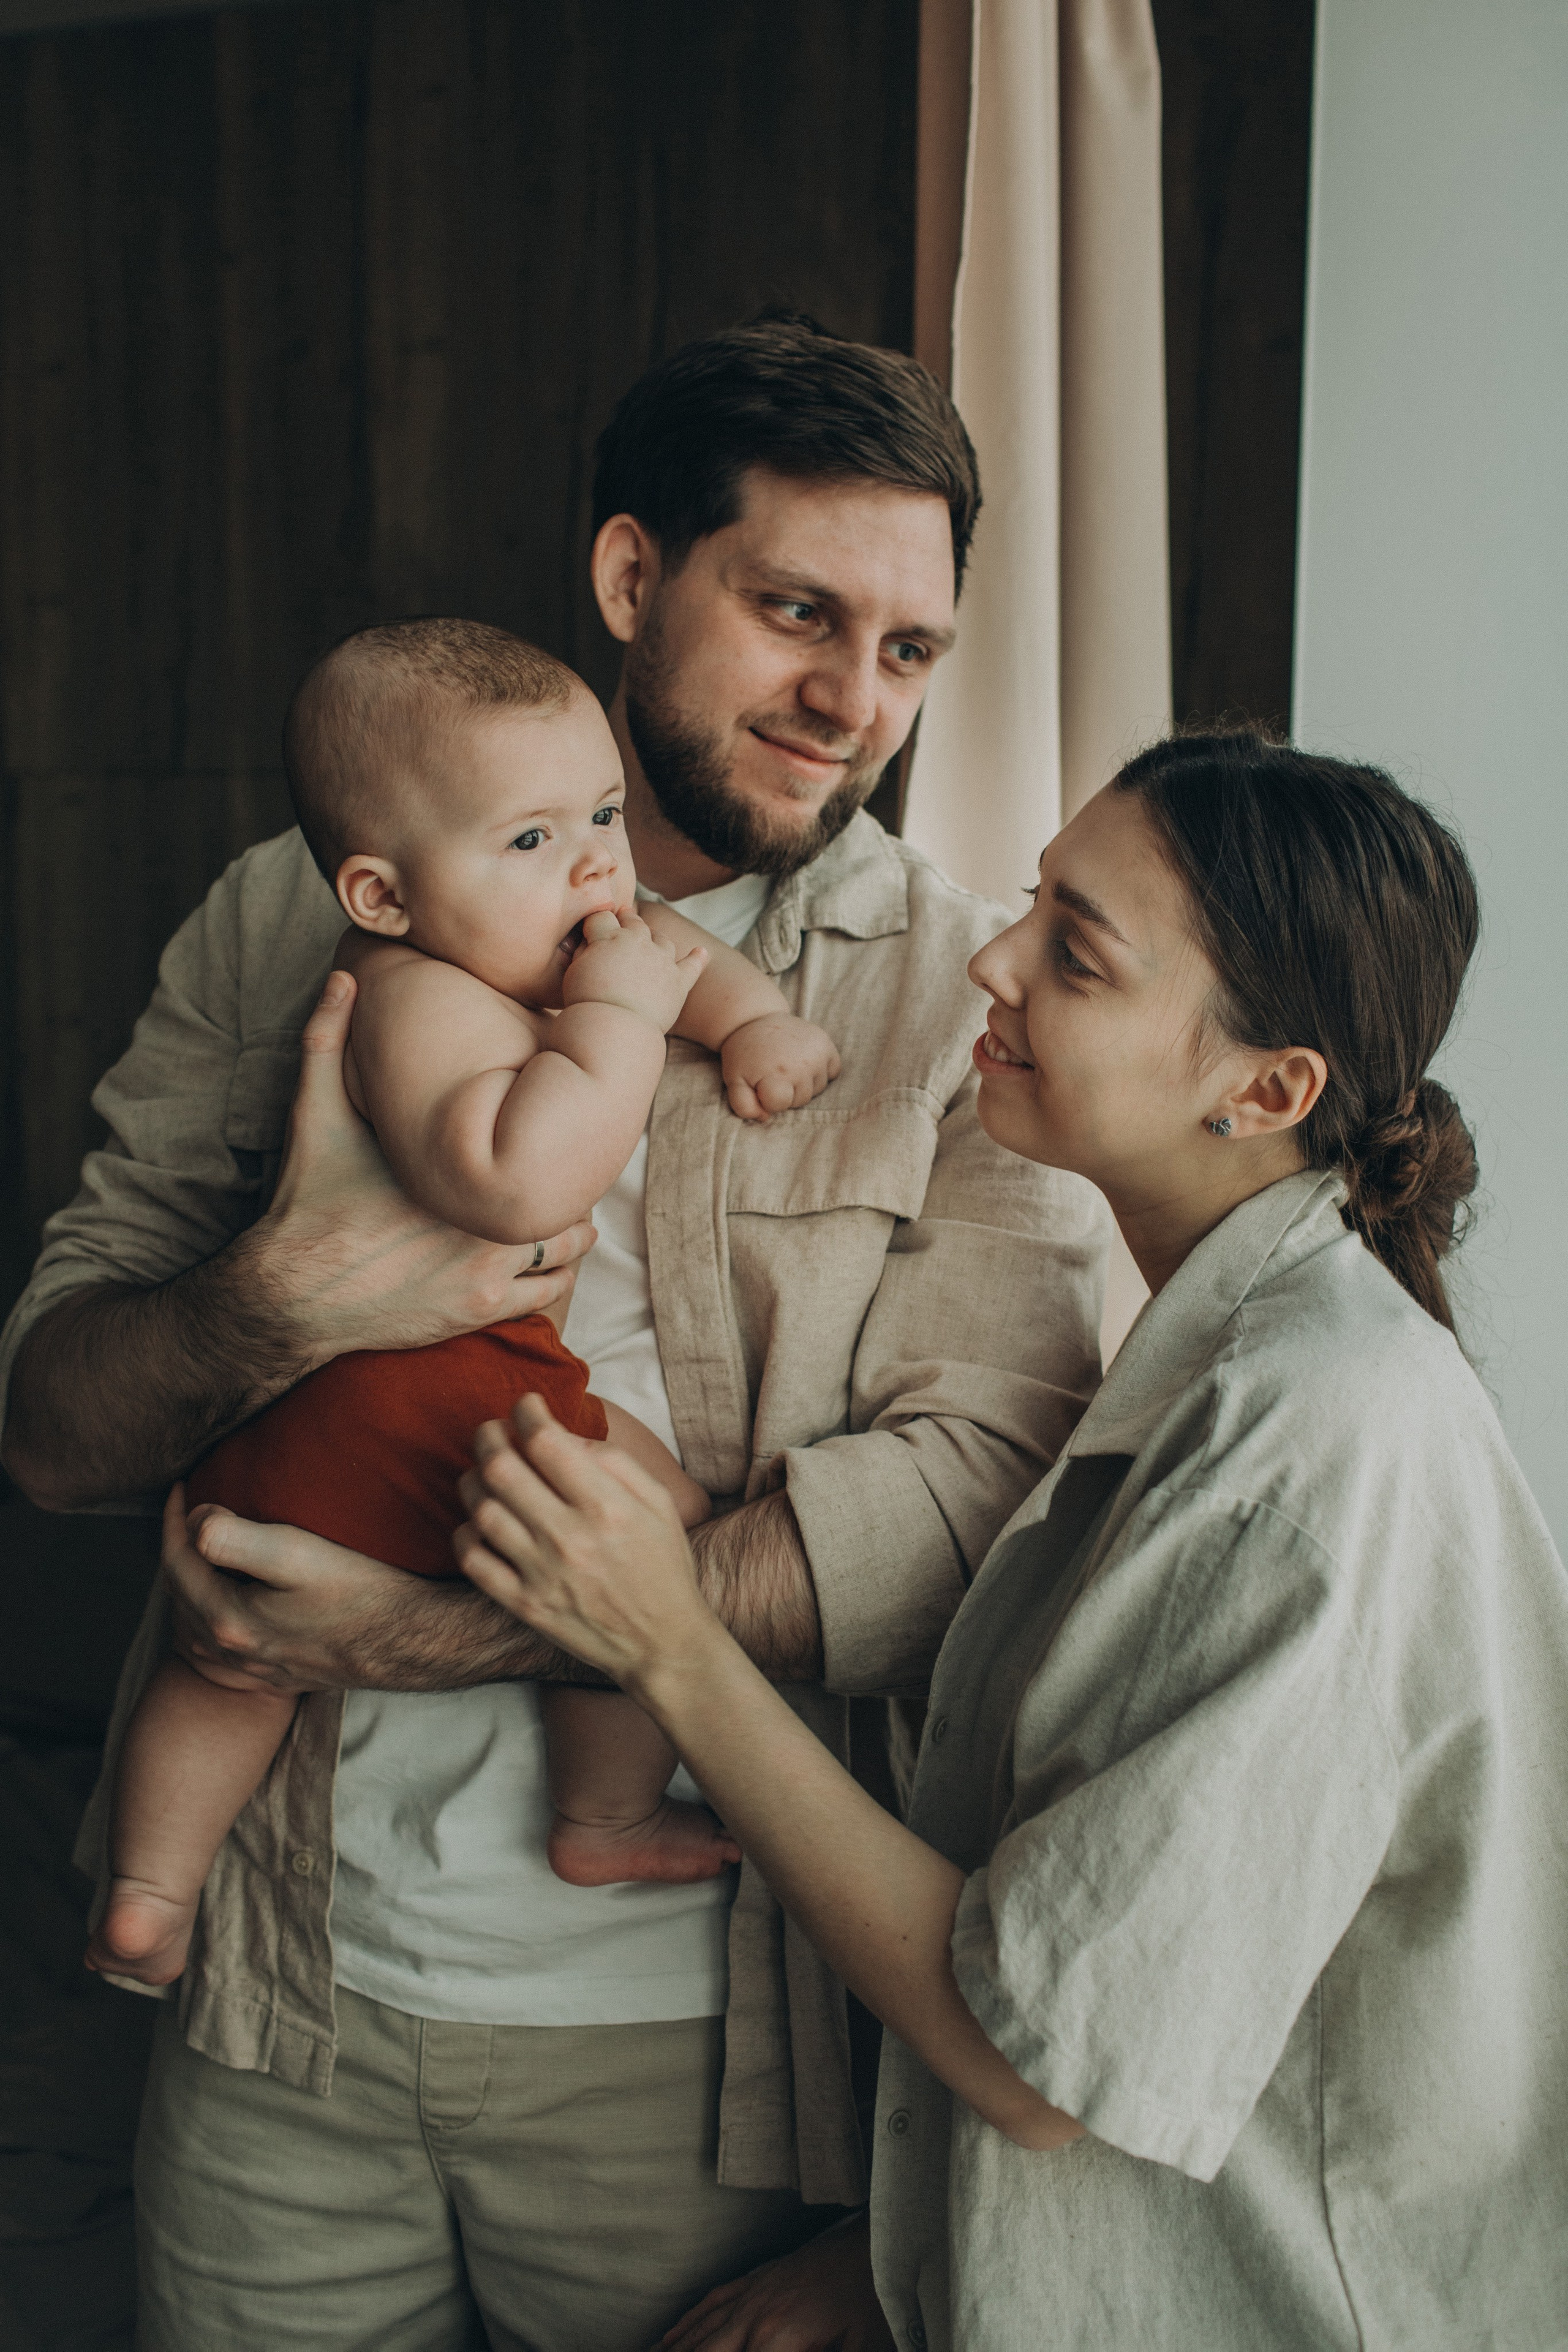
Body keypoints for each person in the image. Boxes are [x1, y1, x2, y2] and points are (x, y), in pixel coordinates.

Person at [0, 314, 1107, 2350]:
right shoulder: (292, 912)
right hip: (277, 2002)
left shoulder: (967, 998)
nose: (854, 702)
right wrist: (292, 1295)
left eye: (911, 649)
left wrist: (426, 1630)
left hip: (699, 2058)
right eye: (797, 612)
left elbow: (974, 1515)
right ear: (629, 580)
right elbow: (54, 1424)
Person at [453, 732, 1568, 2351]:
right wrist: (910, 2260)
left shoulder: (1311, 1438)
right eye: (1034, 901)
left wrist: (668, 1648)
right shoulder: (1245, 1350)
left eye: (1077, 950)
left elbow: (1037, 2056)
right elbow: (1167, 1980)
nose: (993, 957)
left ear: (1265, 1092)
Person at [89, 616, 848, 1998]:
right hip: (417, 1391)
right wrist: (615, 1023)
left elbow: (665, 946)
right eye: (530, 841)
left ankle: (151, 1894)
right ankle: (602, 1817)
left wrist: (741, 1022)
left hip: (306, 1423)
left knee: (237, 1666)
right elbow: (513, 1176)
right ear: (381, 898)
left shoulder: (538, 934)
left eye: (604, 813)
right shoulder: (413, 997)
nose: (598, 866)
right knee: (658, 1534)